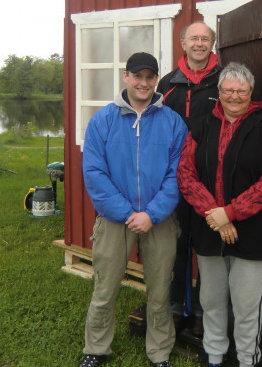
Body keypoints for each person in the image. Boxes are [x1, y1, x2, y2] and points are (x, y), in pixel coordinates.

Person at [79, 52, 188, 367]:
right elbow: (95, 174)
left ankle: (159, 352)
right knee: (105, 288)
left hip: (159, 219)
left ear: (156, 80)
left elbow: (177, 174)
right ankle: (96, 349)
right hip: (116, 220)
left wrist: (151, 214)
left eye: (149, 77)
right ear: (125, 77)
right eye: (137, 76)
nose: (143, 82)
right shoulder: (103, 120)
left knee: (159, 291)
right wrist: (127, 214)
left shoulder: (172, 122)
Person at [178, 62, 262, 367]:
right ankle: (214, 355)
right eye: (228, 90)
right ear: (219, 92)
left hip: (253, 233)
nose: (234, 96)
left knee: (247, 306)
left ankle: (247, 359)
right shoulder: (201, 126)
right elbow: (186, 173)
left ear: (251, 93)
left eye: (241, 90)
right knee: (211, 301)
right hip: (210, 229)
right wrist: (216, 215)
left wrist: (231, 212)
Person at [157, 21, 221, 336]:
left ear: (212, 43)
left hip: (212, 180)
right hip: (174, 179)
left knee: (208, 247)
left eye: (204, 38)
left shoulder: (224, 80)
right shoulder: (168, 83)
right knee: (178, 244)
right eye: (193, 38)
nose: (198, 43)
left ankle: (202, 312)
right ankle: (176, 307)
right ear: (183, 43)